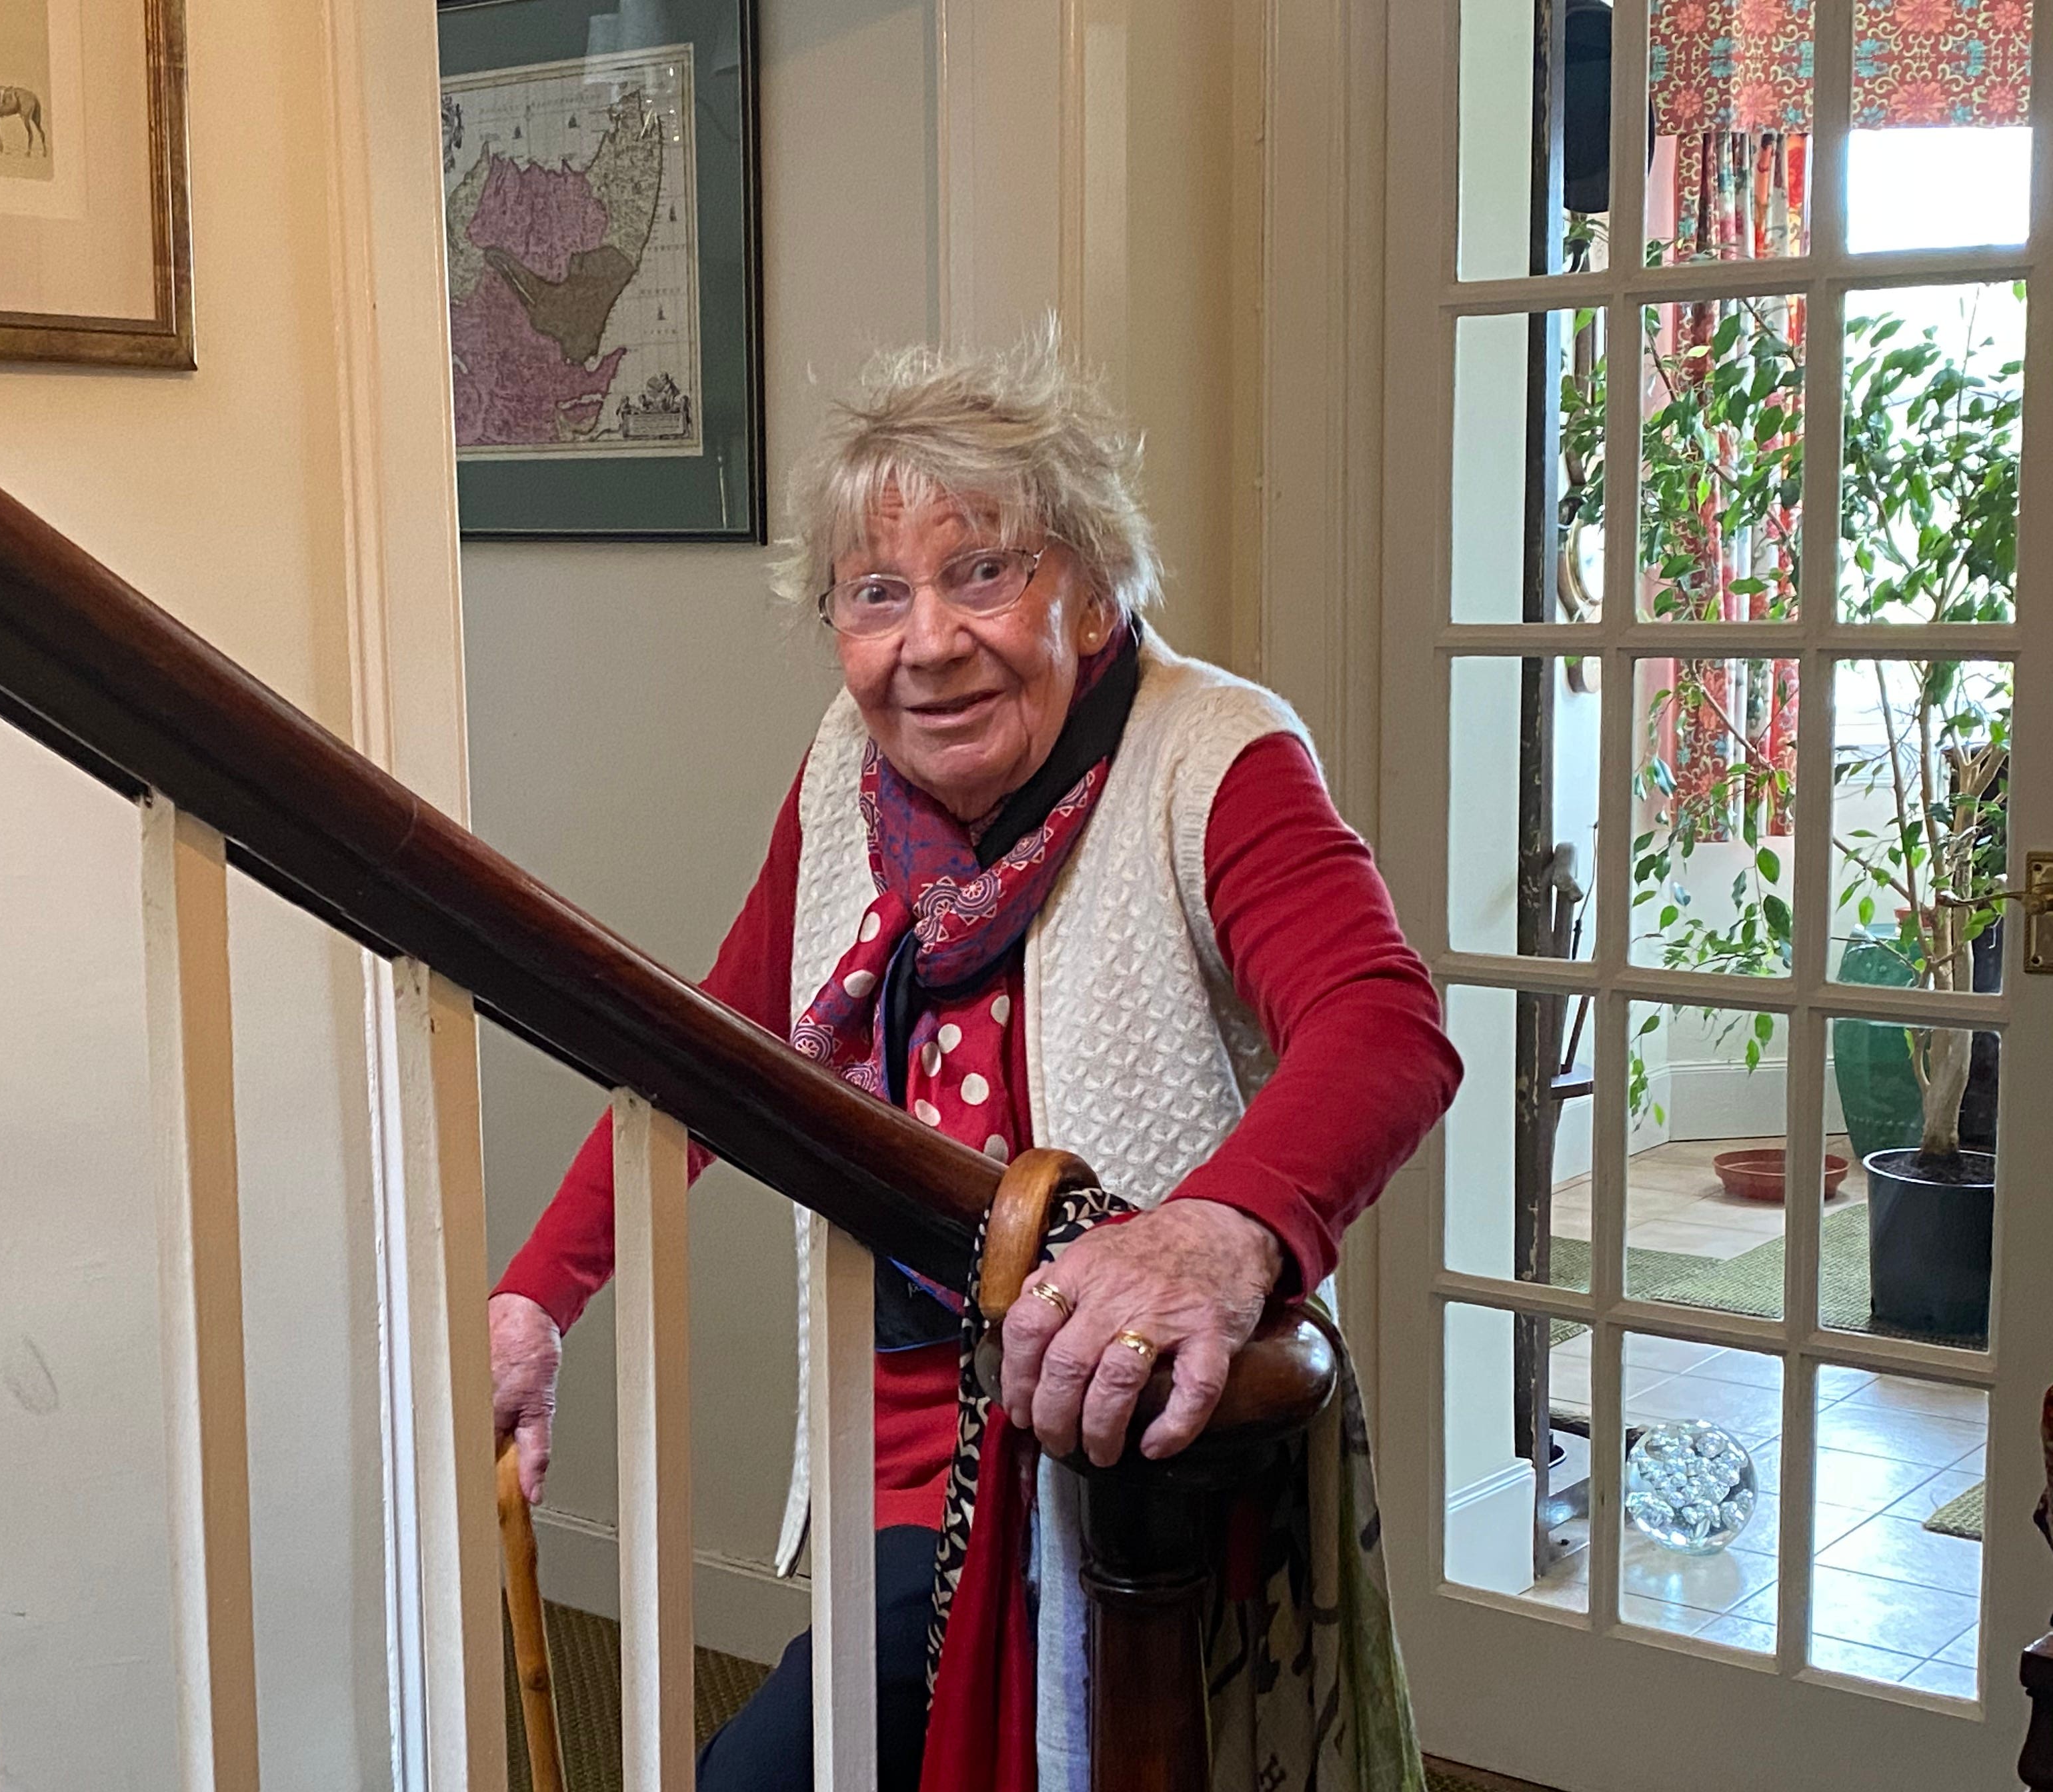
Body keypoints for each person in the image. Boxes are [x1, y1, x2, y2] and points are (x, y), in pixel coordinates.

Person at [487, 333, 1459, 1790]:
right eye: (876, 594)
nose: (925, 642)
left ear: (1087, 587)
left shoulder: (1215, 754)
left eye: (983, 573)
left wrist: (1211, 1234)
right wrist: (535, 1301)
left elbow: (1383, 1021)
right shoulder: (848, 768)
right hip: (898, 1452)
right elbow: (721, 1049)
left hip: (1110, 1442)